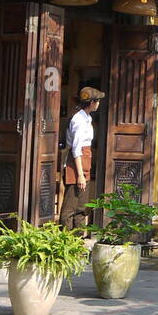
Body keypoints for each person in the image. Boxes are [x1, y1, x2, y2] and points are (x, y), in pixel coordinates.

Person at [60, 86, 104, 228]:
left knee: (81, 207)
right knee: (70, 207)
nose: (98, 104)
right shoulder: (78, 120)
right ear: (92, 103)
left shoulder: (87, 118)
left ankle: (77, 242)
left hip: (84, 163)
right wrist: (79, 175)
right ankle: (65, 242)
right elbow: (76, 149)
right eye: (97, 101)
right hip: (76, 165)